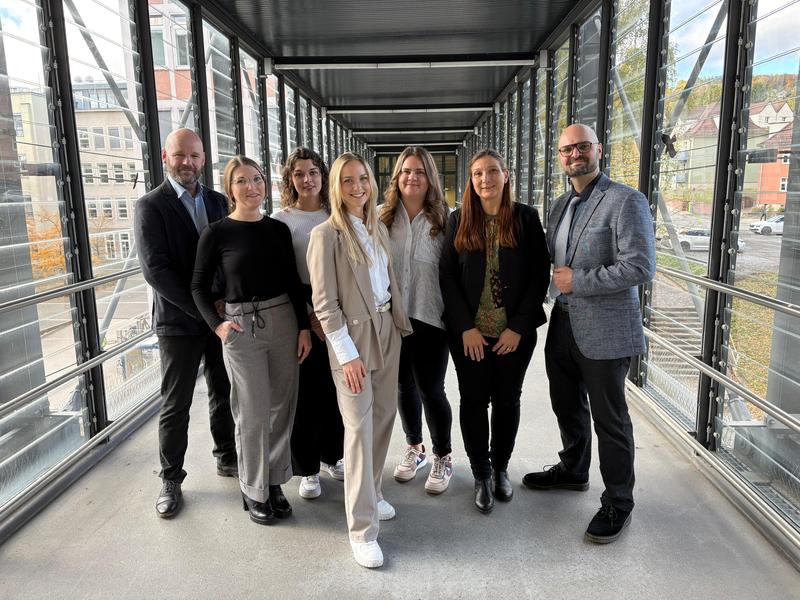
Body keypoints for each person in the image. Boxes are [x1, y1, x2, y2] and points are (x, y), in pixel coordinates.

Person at [522, 123, 655, 544]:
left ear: (598, 149)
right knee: (565, 404)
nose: (574, 154)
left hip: (606, 330)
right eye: (566, 150)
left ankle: (619, 501)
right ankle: (574, 469)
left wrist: (578, 281)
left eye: (581, 147)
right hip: (563, 322)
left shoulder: (625, 201)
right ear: (559, 157)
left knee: (610, 420)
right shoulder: (560, 205)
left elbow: (639, 267)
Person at [191, 155, 311, 525]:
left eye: (257, 179)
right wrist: (218, 325)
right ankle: (254, 488)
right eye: (242, 181)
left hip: (284, 321)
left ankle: (275, 483)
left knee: (281, 408)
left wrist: (304, 327)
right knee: (252, 412)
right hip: (241, 326)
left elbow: (292, 281)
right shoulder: (217, 233)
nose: (251, 187)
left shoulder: (277, 230)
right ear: (231, 189)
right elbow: (197, 286)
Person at [307, 152, 412, 569]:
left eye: (363, 179)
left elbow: (387, 283)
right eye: (347, 180)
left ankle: (375, 491)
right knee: (357, 428)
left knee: (385, 418)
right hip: (352, 339)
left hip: (387, 330)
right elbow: (325, 305)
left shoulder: (376, 227)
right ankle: (361, 529)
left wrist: (398, 326)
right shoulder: (326, 235)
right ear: (336, 186)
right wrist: (346, 354)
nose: (357, 187)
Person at [439, 149, 550, 514]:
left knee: (507, 400)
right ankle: (480, 473)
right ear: (470, 181)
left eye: (491, 172)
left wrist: (518, 327)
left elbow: (539, 275)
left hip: (513, 335)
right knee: (473, 401)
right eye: (477, 174)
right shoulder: (458, 220)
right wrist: (465, 328)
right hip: (470, 335)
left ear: (506, 175)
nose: (484, 180)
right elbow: (447, 277)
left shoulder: (525, 218)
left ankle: (501, 467)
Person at [134, 128, 237, 519]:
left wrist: (224, 306)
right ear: (165, 156)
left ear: (204, 157)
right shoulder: (150, 206)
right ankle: (171, 478)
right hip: (179, 321)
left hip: (219, 317)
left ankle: (227, 456)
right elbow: (156, 270)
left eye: (194, 156)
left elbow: (229, 254)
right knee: (175, 402)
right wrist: (205, 312)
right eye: (180, 155)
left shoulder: (217, 201)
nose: (187, 163)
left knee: (222, 389)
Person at [272, 147, 345, 500]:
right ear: (290, 180)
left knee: (338, 390)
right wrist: (309, 317)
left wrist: (332, 314)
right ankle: (308, 469)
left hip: (339, 312)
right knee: (307, 394)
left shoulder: (339, 214)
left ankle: (334, 455)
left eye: (313, 172)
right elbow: (283, 277)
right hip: (300, 315)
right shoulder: (281, 220)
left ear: (323, 176)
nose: (307, 179)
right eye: (299, 173)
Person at [380, 146, 454, 494]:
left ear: (430, 178)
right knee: (402, 387)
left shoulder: (445, 218)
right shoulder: (380, 217)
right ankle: (415, 448)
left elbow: (455, 272)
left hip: (431, 317)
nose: (412, 177)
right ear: (397, 176)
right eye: (406, 171)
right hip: (392, 317)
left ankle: (443, 455)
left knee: (431, 389)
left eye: (420, 171)